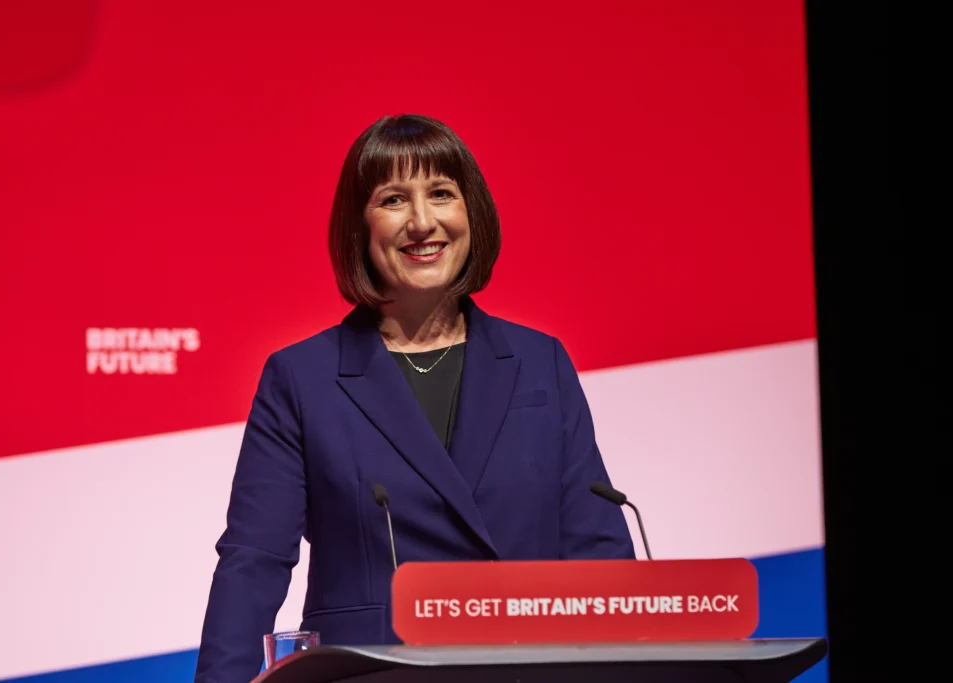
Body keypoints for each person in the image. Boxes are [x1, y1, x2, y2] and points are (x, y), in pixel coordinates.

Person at [194, 114, 634, 682]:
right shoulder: (301, 378)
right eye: (394, 199)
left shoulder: (540, 363)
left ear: (471, 213)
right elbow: (254, 559)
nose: (423, 223)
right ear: (360, 226)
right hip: (370, 675)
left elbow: (598, 551)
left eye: (442, 194)